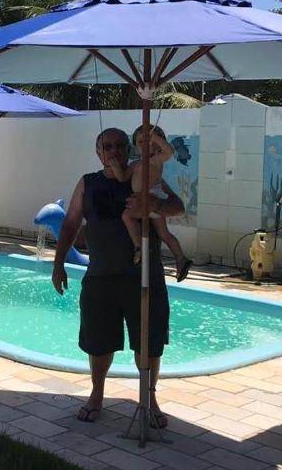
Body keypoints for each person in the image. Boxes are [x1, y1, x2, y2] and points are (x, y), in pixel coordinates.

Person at [51, 127, 185, 426]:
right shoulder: (88, 183)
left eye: (118, 145)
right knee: (98, 342)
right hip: (101, 276)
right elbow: (71, 224)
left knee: (148, 343)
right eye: (106, 146)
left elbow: (178, 208)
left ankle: (148, 398)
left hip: (144, 276)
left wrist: (156, 205)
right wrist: (58, 263)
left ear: (128, 150)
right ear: (98, 152)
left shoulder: (144, 175)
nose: (112, 150)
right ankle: (97, 395)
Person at [116, 125, 192, 282]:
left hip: (153, 197)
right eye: (141, 141)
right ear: (135, 146)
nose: (146, 144)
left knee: (127, 216)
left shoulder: (155, 160)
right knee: (163, 233)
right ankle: (180, 258)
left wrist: (155, 138)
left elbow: (169, 152)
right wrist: (115, 166)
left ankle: (140, 247)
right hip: (142, 201)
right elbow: (123, 178)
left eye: (149, 140)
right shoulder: (134, 165)